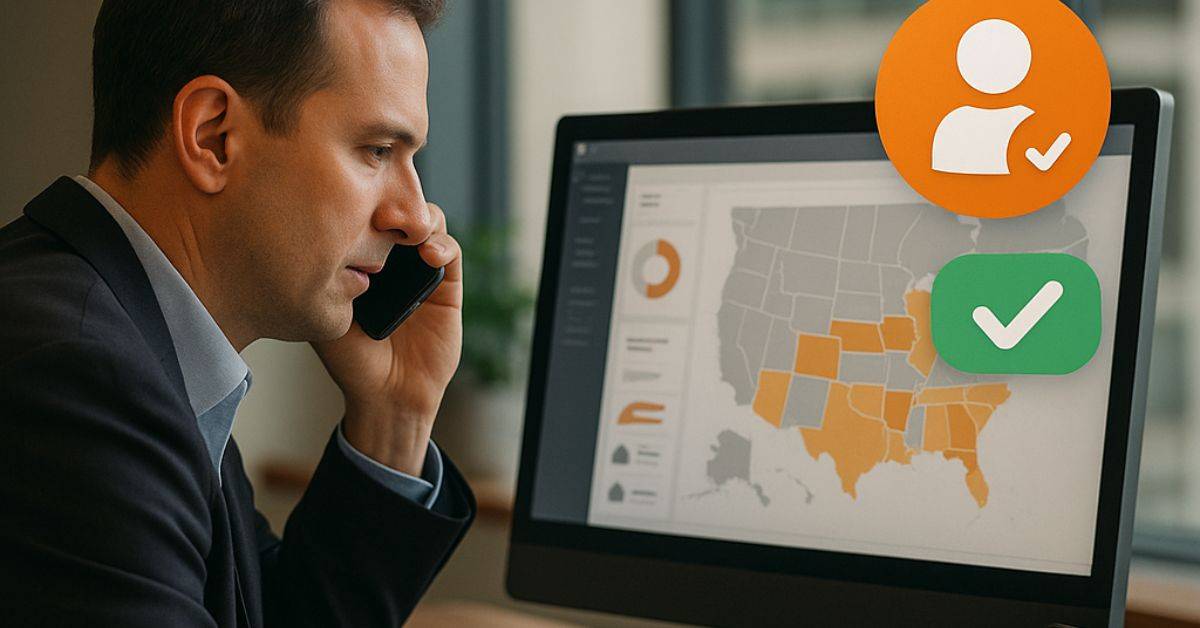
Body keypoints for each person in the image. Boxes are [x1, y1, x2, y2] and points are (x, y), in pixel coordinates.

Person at [0, 0, 475, 626]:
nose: (415, 216)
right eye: (378, 149)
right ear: (212, 136)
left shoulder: (143, 344)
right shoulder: (77, 378)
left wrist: (395, 414)